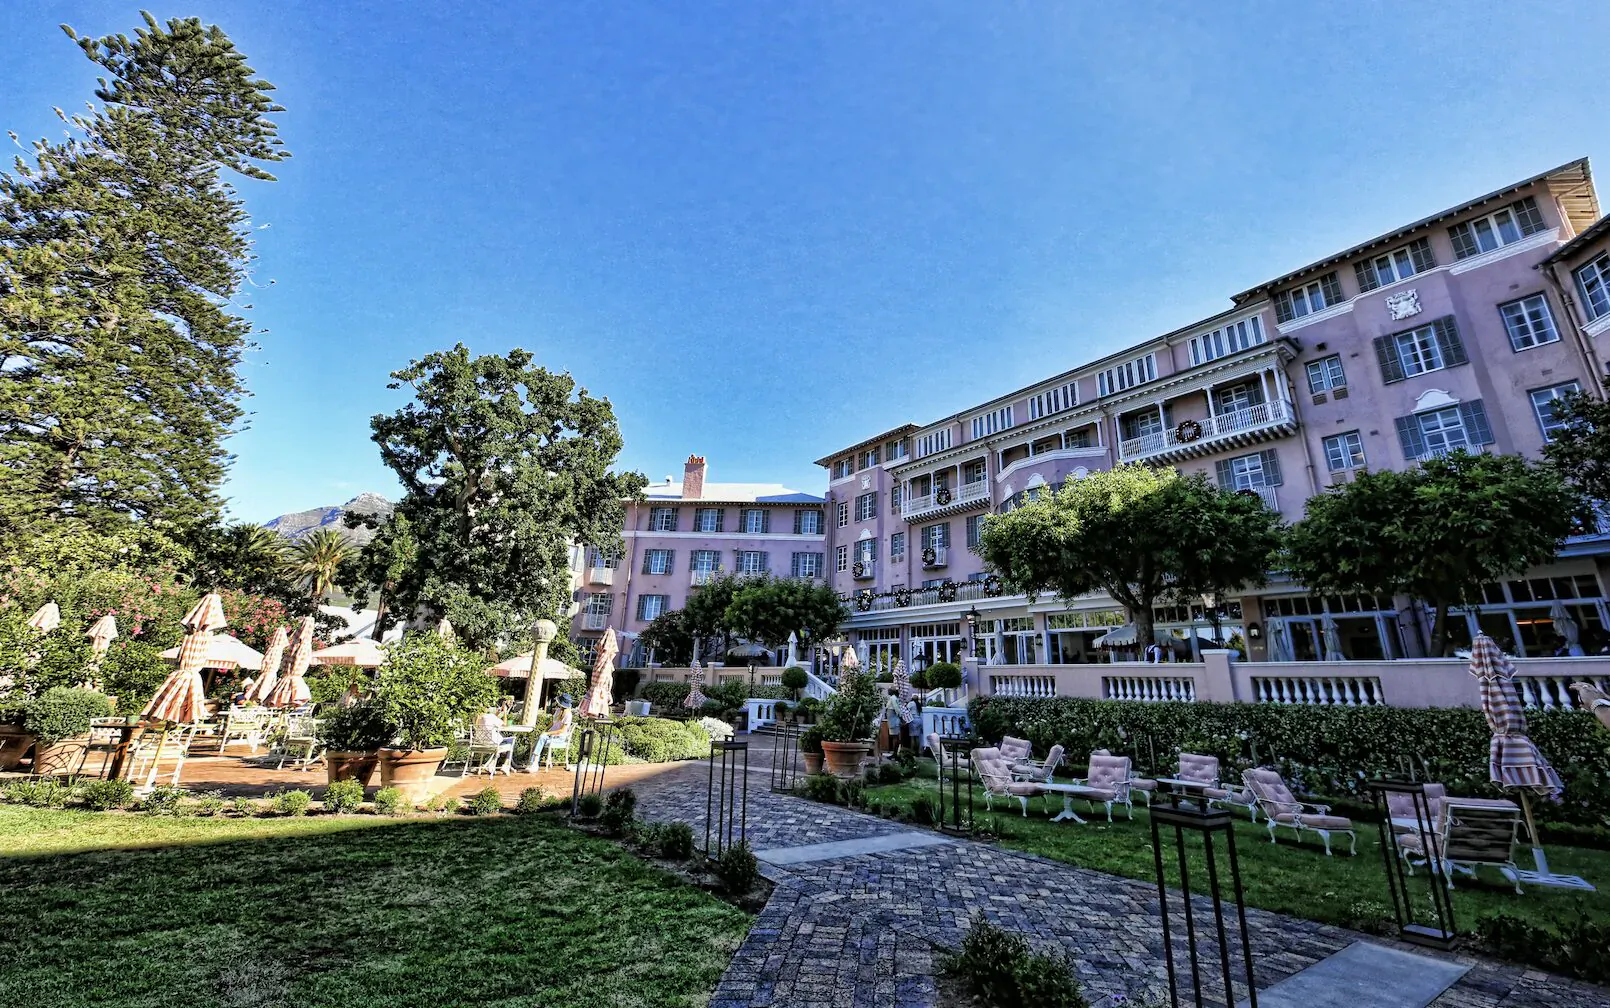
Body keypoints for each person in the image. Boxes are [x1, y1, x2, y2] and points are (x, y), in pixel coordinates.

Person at [530, 694, 576, 769]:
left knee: (542, 738)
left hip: (559, 738)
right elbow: (552, 723)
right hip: (550, 735)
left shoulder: (568, 715)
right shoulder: (558, 711)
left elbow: (562, 730)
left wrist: (547, 733)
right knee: (540, 738)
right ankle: (532, 761)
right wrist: (545, 730)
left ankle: (534, 763)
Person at [473, 702, 515, 773]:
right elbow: (504, 724)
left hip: (480, 742)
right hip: (492, 743)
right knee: (511, 740)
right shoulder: (490, 717)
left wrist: (497, 714)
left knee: (503, 741)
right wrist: (504, 712)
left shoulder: (476, 717)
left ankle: (491, 764)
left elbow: (490, 720)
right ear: (486, 708)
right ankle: (506, 764)